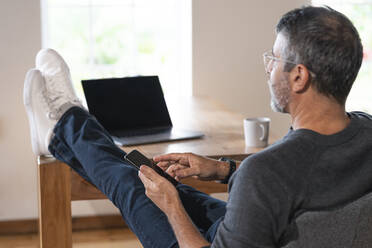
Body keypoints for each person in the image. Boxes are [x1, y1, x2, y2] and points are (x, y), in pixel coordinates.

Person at [23, 5, 372, 248]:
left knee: (134, 186)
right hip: (279, 231)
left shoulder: (266, 173)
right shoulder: (366, 130)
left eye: (274, 58)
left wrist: (171, 207)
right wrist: (222, 170)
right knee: (159, 181)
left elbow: (274, 180)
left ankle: (66, 119)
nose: (268, 69)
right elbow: (297, 186)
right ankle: (62, 128)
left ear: (298, 77)